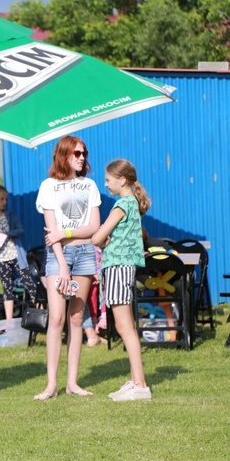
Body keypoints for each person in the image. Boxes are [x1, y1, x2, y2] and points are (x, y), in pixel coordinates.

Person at [34, 135, 101, 400]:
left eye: (83, 153)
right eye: (76, 153)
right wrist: (62, 265)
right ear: (63, 155)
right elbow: (51, 233)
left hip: (85, 253)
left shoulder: (90, 185)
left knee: (76, 317)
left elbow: (93, 227)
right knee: (57, 318)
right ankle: (51, 385)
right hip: (57, 258)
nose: (81, 157)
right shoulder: (48, 186)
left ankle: (72, 383)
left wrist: (67, 233)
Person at [92, 159, 152, 401]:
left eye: (108, 180)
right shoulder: (132, 203)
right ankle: (136, 380)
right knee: (127, 325)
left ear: (122, 180)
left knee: (123, 326)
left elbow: (98, 237)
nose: (105, 184)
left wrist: (100, 238)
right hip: (122, 266)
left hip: (117, 266)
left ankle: (140, 386)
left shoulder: (121, 205)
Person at [0, 184, 37, 319]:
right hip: (0, 258)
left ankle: (40, 313)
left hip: (15, 255)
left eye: (6, 199)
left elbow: (20, 229)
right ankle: (9, 321)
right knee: (7, 288)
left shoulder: (10, 215)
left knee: (29, 283)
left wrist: (7, 234)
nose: (5, 202)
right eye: (2, 199)